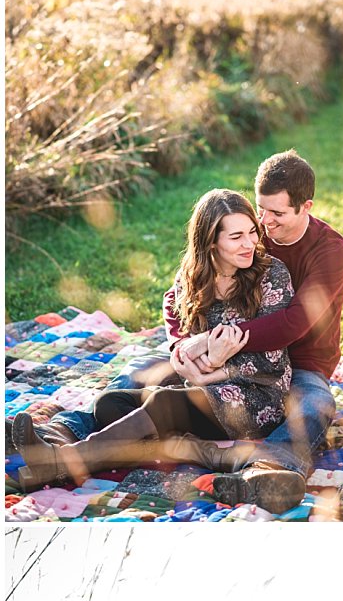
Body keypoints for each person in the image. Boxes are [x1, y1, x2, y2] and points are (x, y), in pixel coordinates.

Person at [19, 191, 292, 488]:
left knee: (163, 403)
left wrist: (211, 363)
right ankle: (196, 450)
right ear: (211, 241)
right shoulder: (191, 279)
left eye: (252, 231)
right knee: (110, 403)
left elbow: (270, 359)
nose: (250, 242)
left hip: (257, 397)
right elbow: (183, 348)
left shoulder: (271, 275)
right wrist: (200, 358)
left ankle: (63, 462)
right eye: (236, 236)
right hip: (200, 388)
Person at [175, 150, 343, 478]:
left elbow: (292, 324)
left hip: (301, 363)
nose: (264, 221)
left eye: (276, 212)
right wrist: (183, 347)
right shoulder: (250, 235)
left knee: (315, 406)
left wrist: (208, 340)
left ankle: (265, 471)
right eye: (261, 208)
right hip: (235, 357)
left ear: (306, 207)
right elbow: (181, 290)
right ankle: (67, 432)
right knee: (140, 376)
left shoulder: (331, 252)